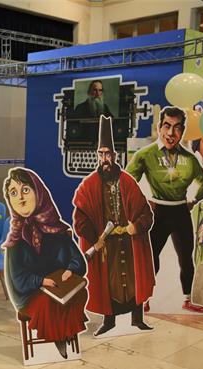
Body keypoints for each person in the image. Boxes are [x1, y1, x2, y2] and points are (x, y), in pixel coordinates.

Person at [73, 116, 155, 336]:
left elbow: (146, 213)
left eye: (108, 153)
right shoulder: (88, 185)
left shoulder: (128, 182)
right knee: (108, 283)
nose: (104, 158)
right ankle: (108, 322)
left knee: (134, 280)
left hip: (129, 241)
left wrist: (136, 227)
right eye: (101, 154)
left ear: (115, 155)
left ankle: (138, 319)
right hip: (106, 246)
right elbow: (80, 219)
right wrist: (95, 238)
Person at [126, 106, 203, 313]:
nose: (171, 133)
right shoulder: (145, 154)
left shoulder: (190, 159)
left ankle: (187, 299)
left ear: (182, 131)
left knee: (186, 259)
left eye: (177, 127)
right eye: (167, 126)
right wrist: (143, 203)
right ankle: (144, 299)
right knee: (151, 258)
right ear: (159, 127)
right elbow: (127, 183)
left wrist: (193, 200)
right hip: (158, 213)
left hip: (181, 213)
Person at [2, 167, 88, 360]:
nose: (20, 198)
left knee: (79, 293)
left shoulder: (56, 229)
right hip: (30, 294)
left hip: (60, 288)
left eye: (25, 190)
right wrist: (41, 281)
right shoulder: (16, 239)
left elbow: (78, 261)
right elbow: (18, 280)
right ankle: (59, 340)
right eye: (13, 193)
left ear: (38, 192)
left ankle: (64, 336)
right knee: (48, 303)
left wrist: (70, 270)